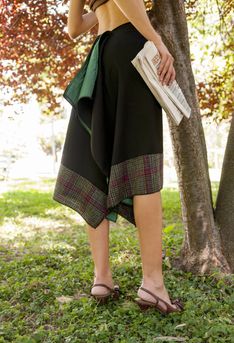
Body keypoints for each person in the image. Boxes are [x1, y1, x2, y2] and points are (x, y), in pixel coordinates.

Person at [54, 0, 184, 314]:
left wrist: (99, 10)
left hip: (102, 53)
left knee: (93, 162)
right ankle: (152, 283)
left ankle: (102, 278)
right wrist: (157, 40)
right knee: (143, 163)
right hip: (131, 48)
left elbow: (74, 28)